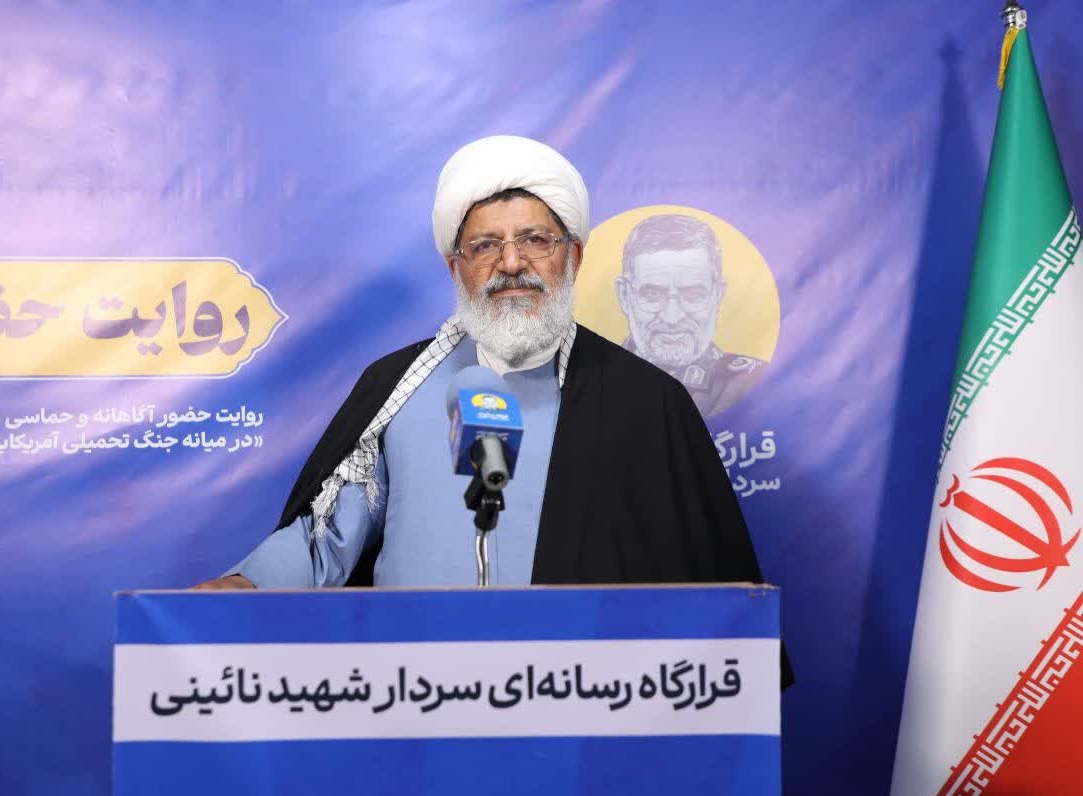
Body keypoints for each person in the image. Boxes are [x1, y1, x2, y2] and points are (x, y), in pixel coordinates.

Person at [196, 136, 778, 613]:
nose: (512, 263)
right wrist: (249, 583)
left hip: (582, 692)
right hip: (418, 687)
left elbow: (706, 588)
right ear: (456, 268)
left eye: (535, 240)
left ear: (574, 258)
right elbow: (328, 540)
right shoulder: (399, 386)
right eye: (484, 246)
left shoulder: (644, 400)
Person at [616, 214, 767, 418]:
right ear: (624, 296)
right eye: (652, 295)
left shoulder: (757, 383)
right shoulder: (587, 378)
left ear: (717, 295)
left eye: (693, 295)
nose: (672, 318)